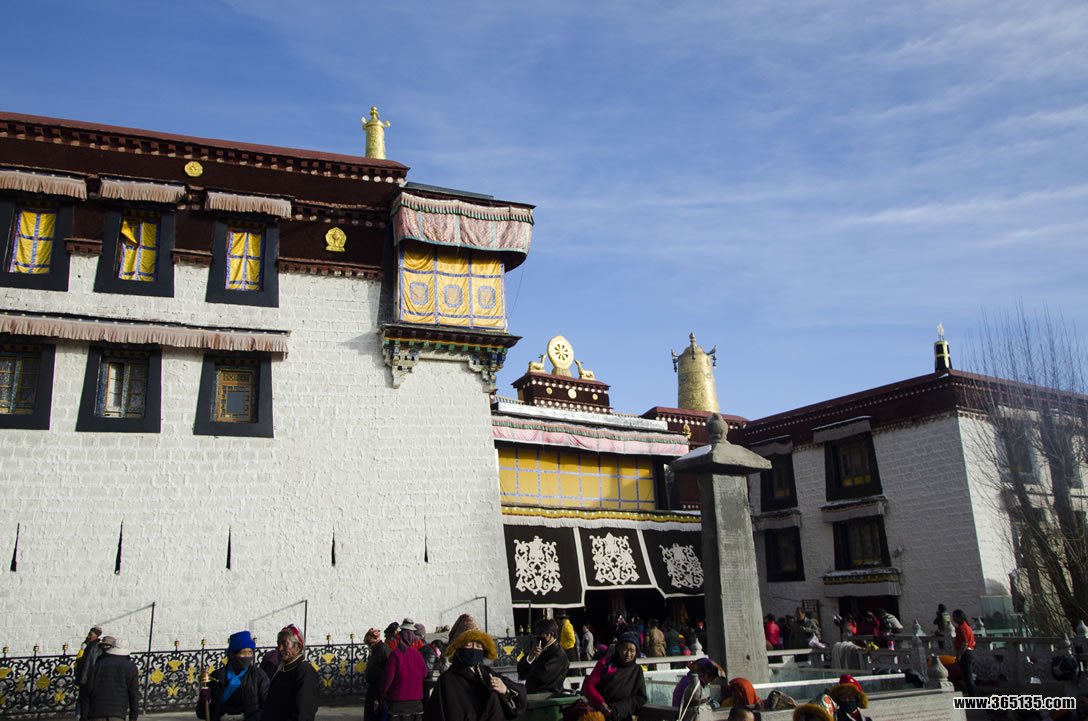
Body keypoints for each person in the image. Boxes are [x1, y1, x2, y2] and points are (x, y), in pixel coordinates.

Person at [425, 626, 525, 721]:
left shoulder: (488, 673)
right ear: (458, 648)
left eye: (478, 645)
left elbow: (518, 700)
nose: (474, 649)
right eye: (468, 645)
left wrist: (505, 690)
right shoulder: (446, 680)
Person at [197, 630, 269, 721]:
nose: (247, 656)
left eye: (250, 652)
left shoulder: (259, 676)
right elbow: (201, 714)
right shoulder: (216, 677)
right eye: (243, 653)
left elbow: (267, 707)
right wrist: (204, 701)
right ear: (232, 654)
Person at [582, 632, 646, 721]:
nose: (628, 654)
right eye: (625, 649)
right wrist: (601, 704)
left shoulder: (636, 670)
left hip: (622, 716)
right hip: (600, 714)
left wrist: (619, 709)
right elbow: (589, 686)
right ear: (618, 648)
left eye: (632, 651)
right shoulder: (605, 663)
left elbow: (641, 697)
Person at [265, 624, 319, 721]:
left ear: (298, 646)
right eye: (279, 643)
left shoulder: (305, 672)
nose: (280, 648)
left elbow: (303, 714)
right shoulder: (283, 669)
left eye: (285, 644)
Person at [382, 619, 428, 719]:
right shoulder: (418, 655)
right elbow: (424, 673)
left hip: (398, 701)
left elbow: (388, 678)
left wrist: (382, 693)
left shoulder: (395, 654)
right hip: (416, 701)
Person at [86, 637, 139, 721]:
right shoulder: (131, 667)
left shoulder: (99, 664)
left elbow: (89, 688)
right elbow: (133, 694)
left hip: (96, 712)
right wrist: (133, 716)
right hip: (118, 713)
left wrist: (85, 713)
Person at [516, 618, 569, 694]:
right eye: (536, 633)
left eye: (540, 633)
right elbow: (521, 671)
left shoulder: (558, 654)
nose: (537, 636)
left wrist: (534, 662)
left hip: (547, 695)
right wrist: (530, 658)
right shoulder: (538, 650)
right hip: (531, 692)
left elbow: (542, 677)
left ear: (550, 635)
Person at [76, 626, 104, 721]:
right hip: (86, 679)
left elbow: (91, 664)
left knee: (85, 705)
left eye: (90, 634)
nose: (88, 636)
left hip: (88, 679)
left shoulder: (95, 647)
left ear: (96, 636)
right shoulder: (89, 646)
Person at [364, 627, 391, 721]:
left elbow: (387, 668)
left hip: (379, 687)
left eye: (370, 643)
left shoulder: (383, 649)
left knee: (376, 712)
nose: (369, 646)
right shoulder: (375, 649)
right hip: (373, 685)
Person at [952, 609, 976, 696]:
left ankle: (973, 697)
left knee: (968, 678)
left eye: (954, 617)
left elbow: (964, 643)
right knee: (968, 678)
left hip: (965, 654)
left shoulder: (961, 628)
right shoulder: (967, 626)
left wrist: (959, 655)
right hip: (969, 652)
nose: (953, 619)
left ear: (959, 617)